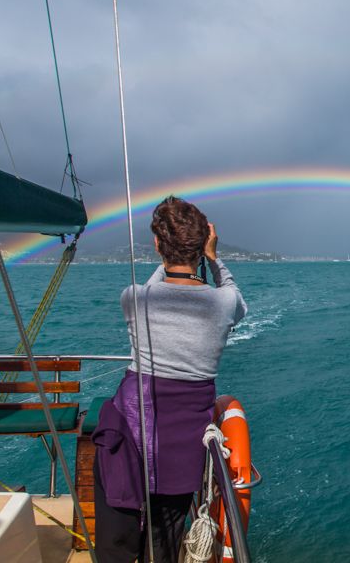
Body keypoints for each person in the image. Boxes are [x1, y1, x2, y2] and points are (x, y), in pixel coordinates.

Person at [92, 196, 247, 562]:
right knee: (163, 545)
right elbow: (236, 297)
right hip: (182, 448)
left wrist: (170, 260)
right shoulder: (224, 303)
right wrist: (212, 258)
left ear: (158, 244)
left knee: (116, 542)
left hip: (129, 437)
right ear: (203, 244)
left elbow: (152, 286)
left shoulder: (134, 299)